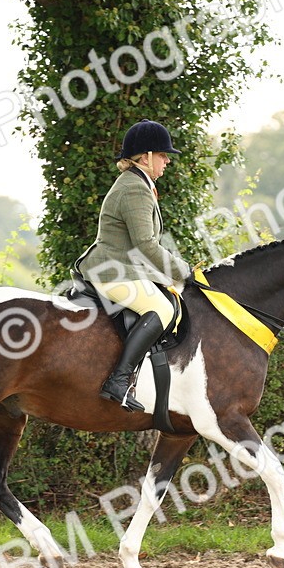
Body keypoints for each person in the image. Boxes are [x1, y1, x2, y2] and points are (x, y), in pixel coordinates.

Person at [76, 119, 193, 412]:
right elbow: (146, 245)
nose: (167, 160)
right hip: (112, 271)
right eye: (163, 155)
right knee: (162, 310)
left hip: (123, 267)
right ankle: (119, 380)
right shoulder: (134, 189)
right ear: (145, 157)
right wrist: (183, 271)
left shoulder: (140, 184)